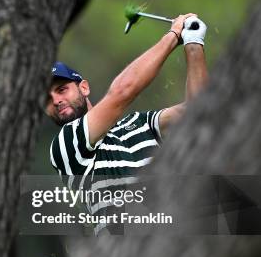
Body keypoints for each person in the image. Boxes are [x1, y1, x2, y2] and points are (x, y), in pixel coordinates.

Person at [46, 14, 208, 234]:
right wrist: (173, 36)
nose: (55, 101)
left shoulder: (139, 123)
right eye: (47, 99)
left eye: (61, 89)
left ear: (84, 88)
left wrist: (193, 43)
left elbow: (200, 113)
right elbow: (123, 92)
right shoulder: (65, 144)